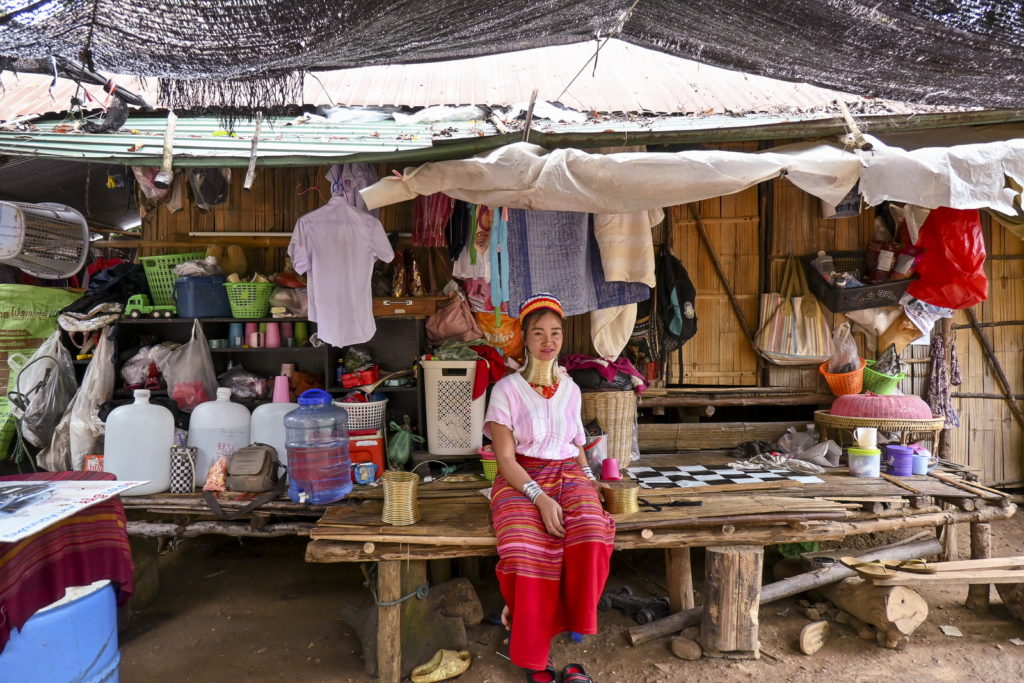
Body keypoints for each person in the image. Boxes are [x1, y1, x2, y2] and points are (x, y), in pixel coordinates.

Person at [484, 293, 614, 683]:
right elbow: (505, 459)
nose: (548, 340)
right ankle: (534, 656)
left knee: (591, 532)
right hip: (520, 477)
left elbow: (575, 448)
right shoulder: (506, 389)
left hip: (567, 473)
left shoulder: (571, 389)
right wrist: (539, 499)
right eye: (538, 332)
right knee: (525, 549)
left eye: (555, 332)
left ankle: (572, 620)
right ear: (524, 338)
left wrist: (591, 485)